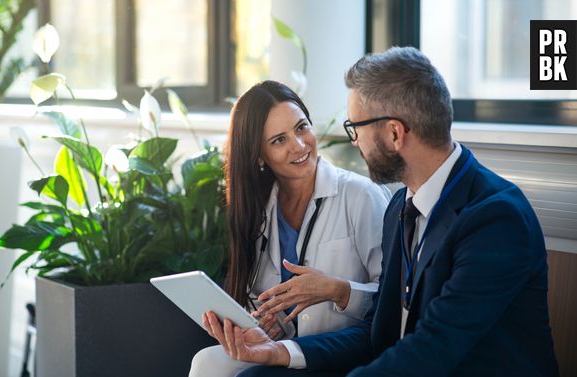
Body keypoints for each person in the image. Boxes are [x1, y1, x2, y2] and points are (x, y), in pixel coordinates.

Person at [202, 48, 559, 377]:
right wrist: (284, 352)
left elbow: (434, 350)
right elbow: (375, 333)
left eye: (355, 127)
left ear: (393, 134)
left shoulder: (495, 218)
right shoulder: (401, 208)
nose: (353, 141)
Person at [189, 80, 391, 376]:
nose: (299, 145)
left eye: (301, 127)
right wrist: (262, 320)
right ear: (259, 156)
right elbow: (259, 296)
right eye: (278, 140)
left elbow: (394, 301)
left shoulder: (360, 196)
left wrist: (338, 290)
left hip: (342, 351)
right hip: (283, 347)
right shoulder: (259, 209)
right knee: (206, 363)